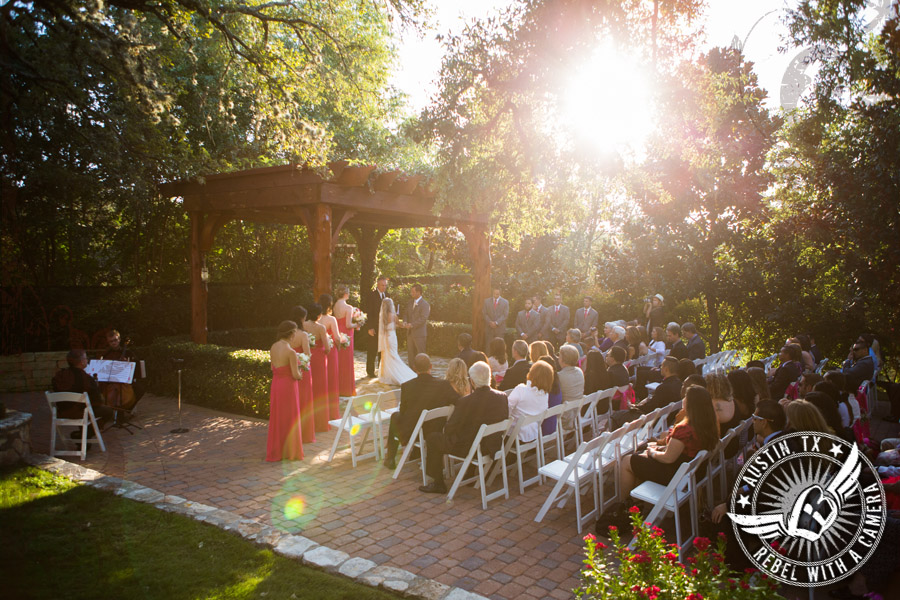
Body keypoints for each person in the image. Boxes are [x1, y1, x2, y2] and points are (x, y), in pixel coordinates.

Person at [419, 362, 509, 494]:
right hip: (492, 445)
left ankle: (438, 483)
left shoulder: (465, 402)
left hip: (468, 448)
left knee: (433, 438)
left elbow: (450, 429)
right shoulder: (502, 397)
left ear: (472, 381)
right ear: (489, 377)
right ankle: (470, 473)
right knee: (471, 434)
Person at [619, 385, 719, 497]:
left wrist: (653, 453)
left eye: (686, 397)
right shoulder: (709, 425)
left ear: (691, 404)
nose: (683, 399)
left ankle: (623, 504)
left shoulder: (684, 429)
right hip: (692, 475)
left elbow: (668, 458)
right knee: (641, 455)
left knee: (627, 460)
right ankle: (637, 501)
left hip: (675, 476)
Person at [383, 354, 460, 469]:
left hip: (415, 432)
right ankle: (415, 452)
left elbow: (403, 411)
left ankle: (390, 458)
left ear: (414, 368)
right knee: (402, 417)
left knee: (395, 417)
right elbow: (458, 401)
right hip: (436, 430)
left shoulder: (407, 386)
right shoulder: (443, 385)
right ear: (431, 366)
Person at [267, 321, 305, 461]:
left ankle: (278, 449)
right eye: (295, 331)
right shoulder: (291, 352)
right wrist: (302, 372)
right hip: (288, 386)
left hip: (276, 384)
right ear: (291, 333)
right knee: (290, 417)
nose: (296, 334)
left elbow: (273, 368)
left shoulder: (273, 346)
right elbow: (296, 375)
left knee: (278, 417)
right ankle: (290, 451)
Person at [610, 357, 681, 429]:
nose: (660, 368)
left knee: (617, 415)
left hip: (654, 421)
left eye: (662, 366)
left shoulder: (663, 387)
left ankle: (614, 439)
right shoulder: (679, 384)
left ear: (666, 369)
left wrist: (634, 407)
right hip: (668, 419)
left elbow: (649, 408)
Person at [51, 348, 113, 427]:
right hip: (79, 413)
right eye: (86, 358)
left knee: (82, 406)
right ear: (82, 361)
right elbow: (97, 401)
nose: (87, 360)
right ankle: (88, 432)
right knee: (108, 411)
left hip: (62, 412)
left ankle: (82, 433)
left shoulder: (59, 376)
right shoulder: (86, 378)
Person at [303, 303, 332, 433]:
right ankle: (320, 422)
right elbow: (327, 348)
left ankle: (308, 422)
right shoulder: (321, 328)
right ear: (319, 315)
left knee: (309, 389)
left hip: (307, 357)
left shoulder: (303, 326)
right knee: (320, 389)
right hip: (319, 359)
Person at [507, 361, 554, 442]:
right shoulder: (545, 395)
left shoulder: (521, 389)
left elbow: (507, 409)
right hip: (533, 435)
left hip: (514, 437)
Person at [100, 329, 143, 412]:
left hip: (125, 382)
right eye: (111, 341)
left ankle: (127, 408)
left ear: (119, 340)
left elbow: (137, 368)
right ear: (108, 342)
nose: (113, 343)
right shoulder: (106, 354)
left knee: (140, 388)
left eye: (115, 340)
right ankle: (113, 410)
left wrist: (128, 364)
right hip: (110, 382)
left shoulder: (128, 353)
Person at [376, 298, 416, 385]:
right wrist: (405, 324)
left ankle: (387, 375)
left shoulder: (383, 317)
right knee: (394, 355)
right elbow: (400, 325)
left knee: (387, 356)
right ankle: (399, 374)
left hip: (386, 338)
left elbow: (385, 328)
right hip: (392, 337)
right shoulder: (393, 316)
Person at [289, 306, 314, 444]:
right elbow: (307, 355)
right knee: (304, 401)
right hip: (302, 370)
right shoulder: (302, 335)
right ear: (301, 318)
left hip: (289, 370)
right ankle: (304, 433)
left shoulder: (286, 333)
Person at [318, 294, 341, 420]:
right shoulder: (331, 319)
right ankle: (332, 412)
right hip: (330, 352)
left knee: (321, 380)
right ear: (329, 305)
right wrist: (339, 345)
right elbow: (336, 338)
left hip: (318, 351)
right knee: (332, 380)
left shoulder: (315, 320)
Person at [332, 284, 359, 397]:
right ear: (346, 294)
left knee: (339, 360)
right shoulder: (348, 307)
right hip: (347, 335)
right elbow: (348, 324)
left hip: (337, 333)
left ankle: (338, 388)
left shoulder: (334, 306)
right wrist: (357, 324)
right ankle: (346, 389)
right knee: (347, 361)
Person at [365, 276, 390, 378]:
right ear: (378, 285)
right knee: (372, 349)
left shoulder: (388, 295)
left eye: (385, 285)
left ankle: (381, 370)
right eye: (382, 285)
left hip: (384, 328)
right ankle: (370, 371)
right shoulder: (371, 296)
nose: (384, 287)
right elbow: (368, 312)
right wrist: (370, 327)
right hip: (374, 328)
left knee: (383, 350)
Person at [401, 283, 430, 365]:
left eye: (413, 292)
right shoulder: (410, 303)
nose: (411, 294)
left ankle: (422, 373)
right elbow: (405, 314)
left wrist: (412, 325)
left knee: (421, 355)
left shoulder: (425, 304)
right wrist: (405, 321)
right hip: (410, 334)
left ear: (419, 292)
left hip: (419, 334)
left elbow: (423, 319)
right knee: (410, 355)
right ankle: (412, 373)